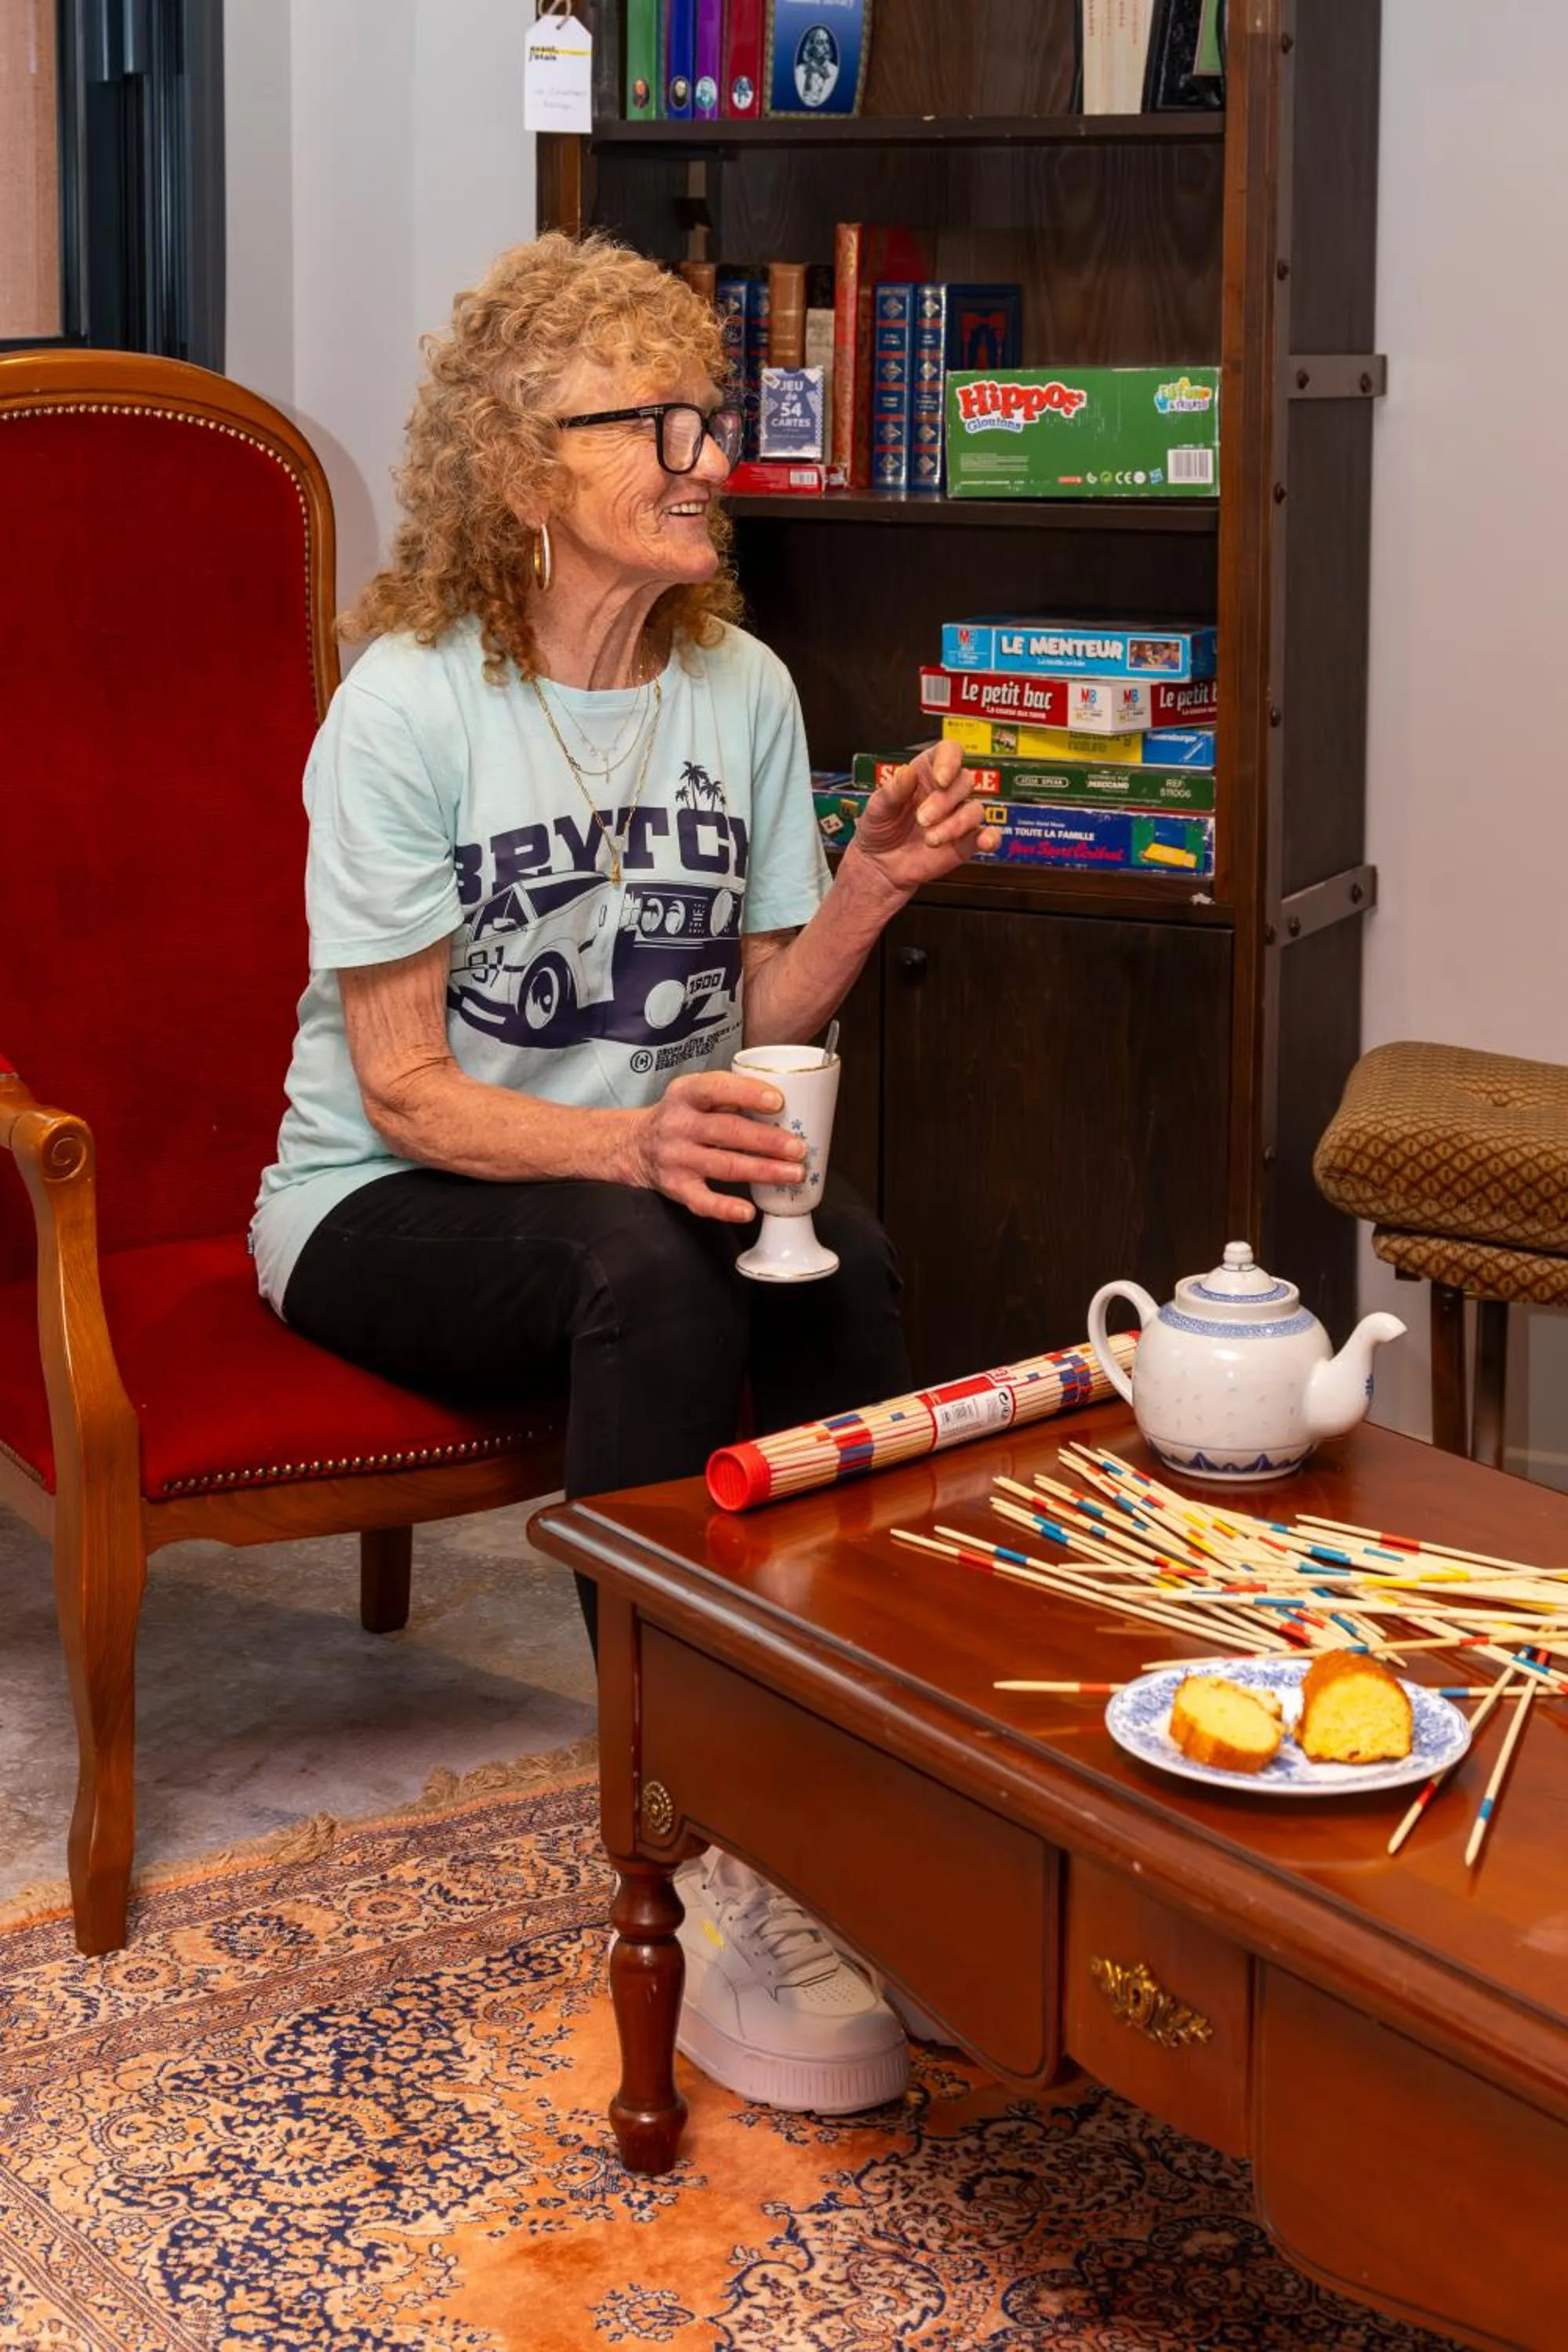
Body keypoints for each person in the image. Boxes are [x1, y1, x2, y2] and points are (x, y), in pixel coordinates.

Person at [251, 230, 996, 2118]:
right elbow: (406, 1089)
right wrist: (637, 1140)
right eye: (646, 420)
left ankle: (856, 1792)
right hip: (376, 1205)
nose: (702, 455)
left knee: (850, 1262)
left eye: (709, 414)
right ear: (520, 474)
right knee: (656, 1264)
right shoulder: (410, 706)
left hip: (625, 1187)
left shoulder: (734, 685)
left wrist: (868, 890)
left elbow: (761, 1013)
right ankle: (706, 1830)